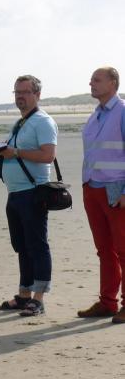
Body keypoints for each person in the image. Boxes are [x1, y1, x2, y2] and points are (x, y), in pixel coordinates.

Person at [0, 75, 57, 316]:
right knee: (22, 246)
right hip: (15, 193)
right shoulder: (20, 123)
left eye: (25, 92)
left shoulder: (43, 121)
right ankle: (24, 295)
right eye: (17, 92)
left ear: (37, 95)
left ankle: (38, 298)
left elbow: (48, 155)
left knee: (37, 245)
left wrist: (16, 152)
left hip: (34, 192)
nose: (20, 96)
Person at [77, 67, 125, 324]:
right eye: (91, 79)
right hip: (92, 188)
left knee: (123, 249)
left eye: (97, 79)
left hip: (116, 189)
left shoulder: (123, 111)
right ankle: (108, 302)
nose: (91, 83)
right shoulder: (95, 115)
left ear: (113, 83)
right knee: (104, 250)